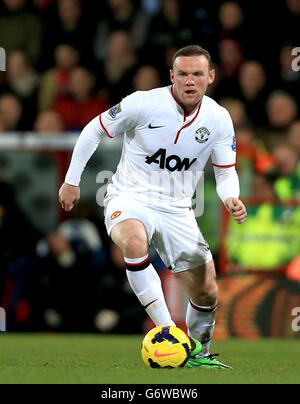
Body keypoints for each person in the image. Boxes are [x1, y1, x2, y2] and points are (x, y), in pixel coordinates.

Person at [59, 45, 247, 369]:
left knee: (207, 292)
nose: (190, 81)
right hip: (129, 197)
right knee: (134, 241)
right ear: (172, 76)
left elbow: (225, 171)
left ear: (211, 77)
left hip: (178, 209)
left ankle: (199, 355)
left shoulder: (218, 118)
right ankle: (168, 332)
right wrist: (72, 180)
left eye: (198, 74)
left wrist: (231, 196)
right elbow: (94, 129)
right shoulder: (143, 104)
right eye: (184, 74)